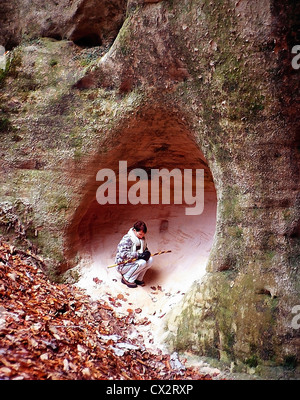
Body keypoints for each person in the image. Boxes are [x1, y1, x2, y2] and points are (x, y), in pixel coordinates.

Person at [115, 221, 153, 288]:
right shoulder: (127, 238)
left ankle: (138, 279)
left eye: (143, 235)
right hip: (123, 264)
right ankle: (127, 279)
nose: (141, 236)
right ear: (134, 230)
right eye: (140, 234)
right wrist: (138, 255)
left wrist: (147, 253)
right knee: (142, 262)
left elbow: (144, 249)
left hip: (133, 262)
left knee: (150, 260)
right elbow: (122, 254)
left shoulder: (142, 239)